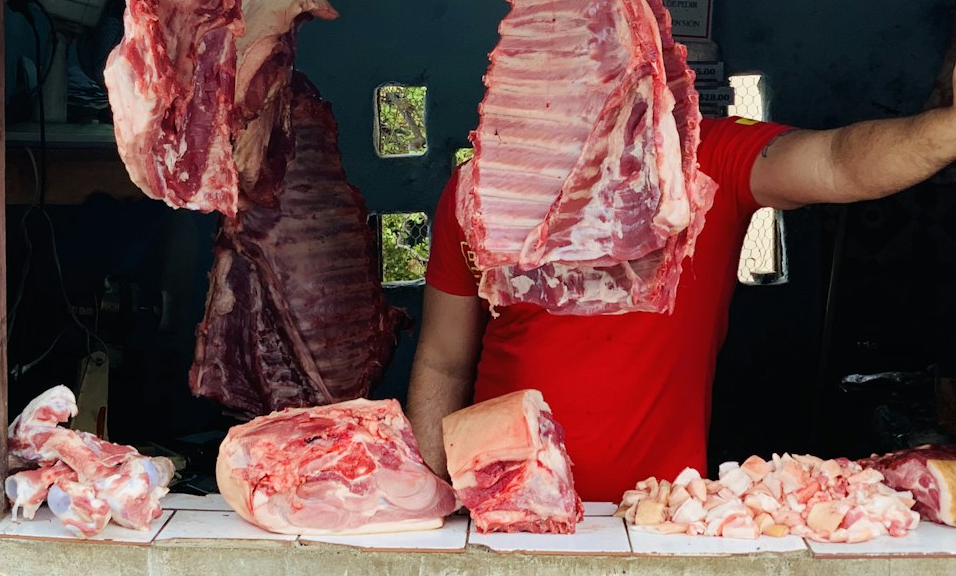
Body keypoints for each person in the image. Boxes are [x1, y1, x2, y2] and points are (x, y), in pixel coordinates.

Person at [407, 74, 956, 502]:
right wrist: (432, 504)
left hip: (654, 516)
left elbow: (838, 163)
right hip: (503, 507)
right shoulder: (484, 185)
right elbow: (442, 361)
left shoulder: (706, 158)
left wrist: (949, 127)